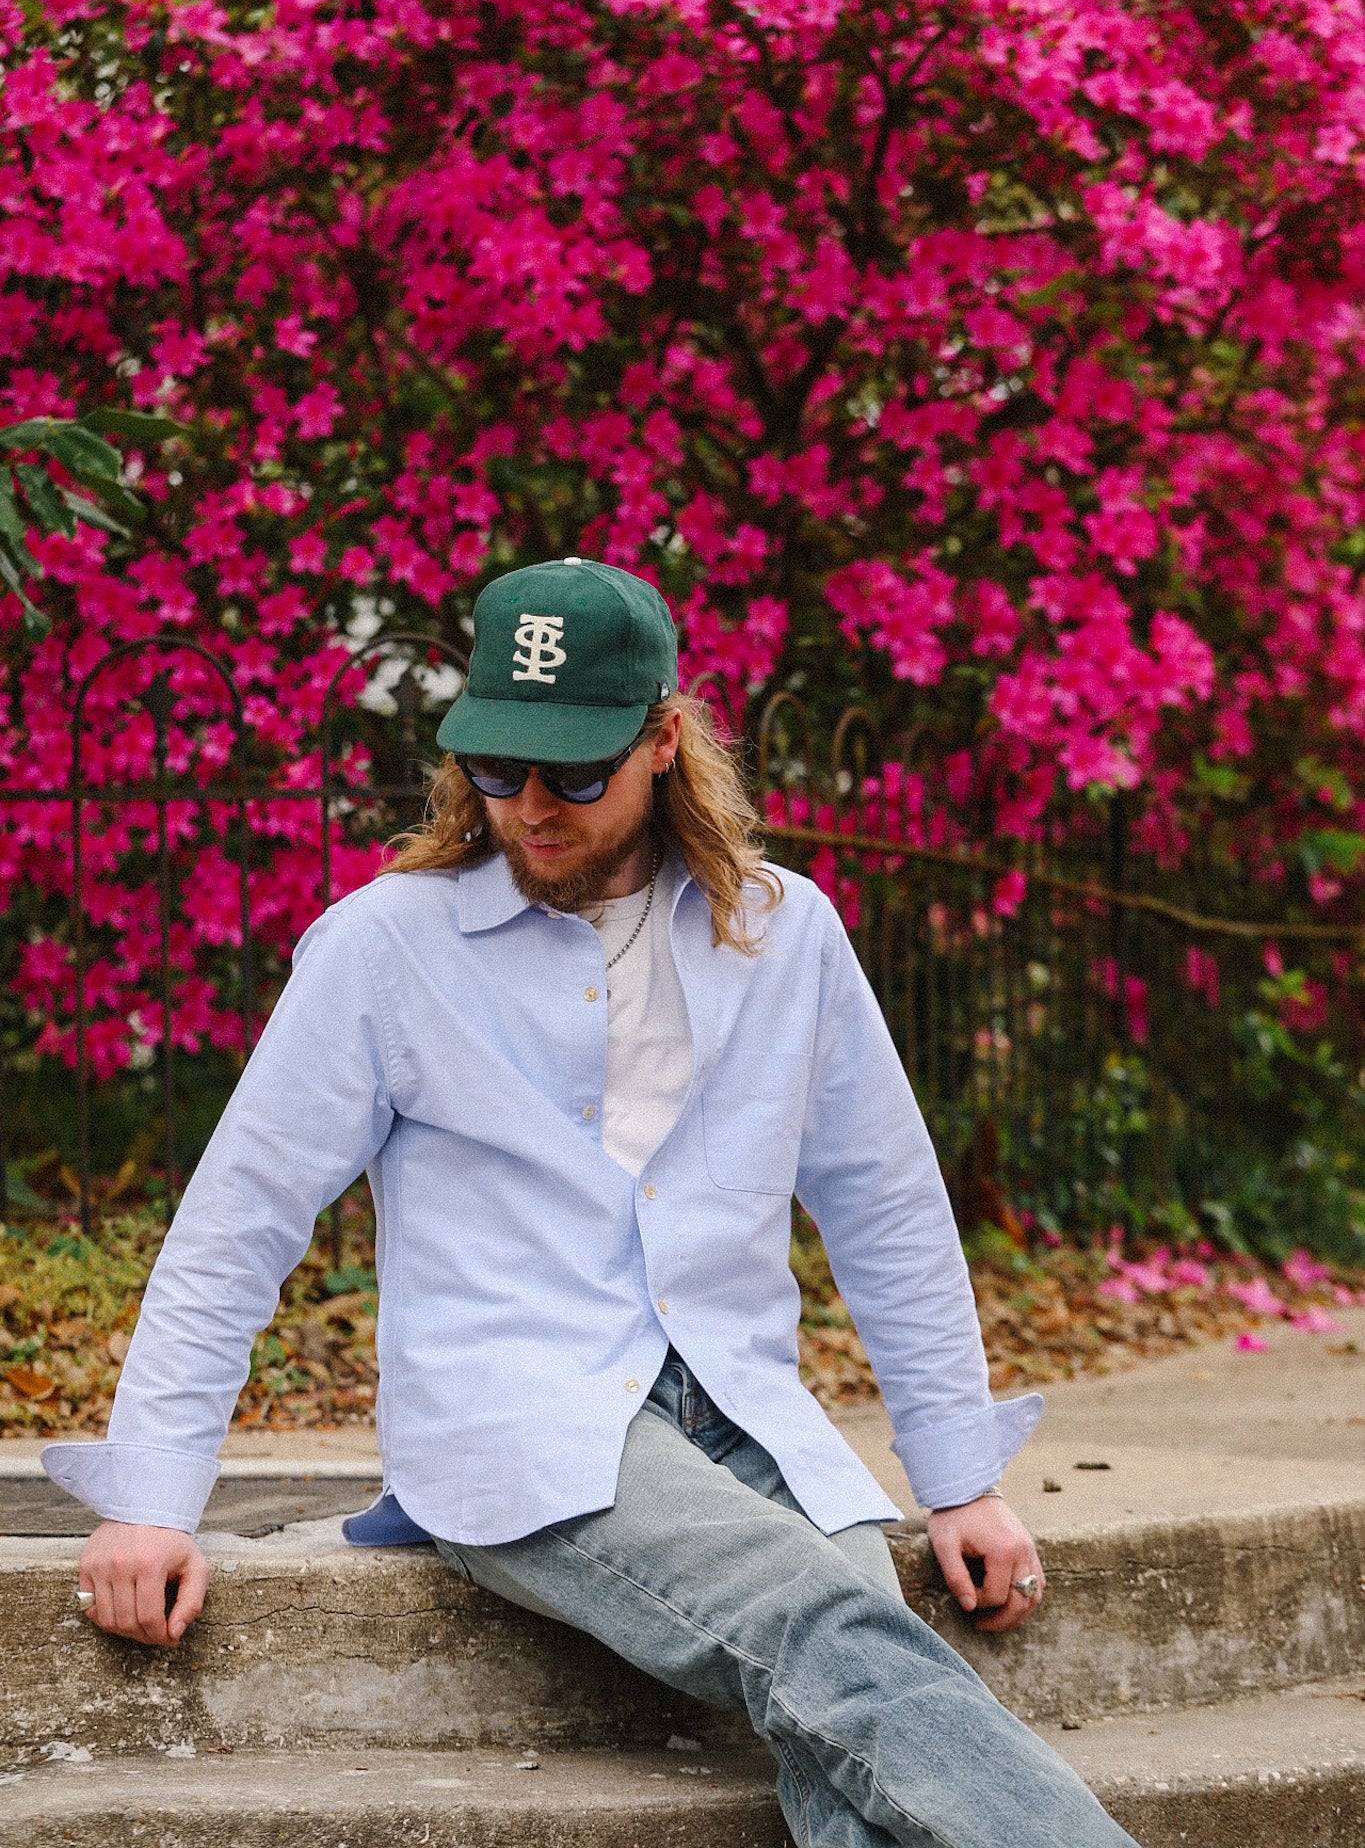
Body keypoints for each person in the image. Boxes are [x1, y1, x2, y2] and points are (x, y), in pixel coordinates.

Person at [45, 558, 1136, 1848]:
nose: (532, 808)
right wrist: (153, 1496)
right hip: (520, 1421)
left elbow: (886, 1201)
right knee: (820, 1625)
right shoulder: (384, 948)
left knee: (849, 1710)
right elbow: (239, 1222)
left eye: (574, 774)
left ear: (663, 740)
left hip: (740, 1401)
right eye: (500, 770)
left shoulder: (788, 935)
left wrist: (959, 1478)